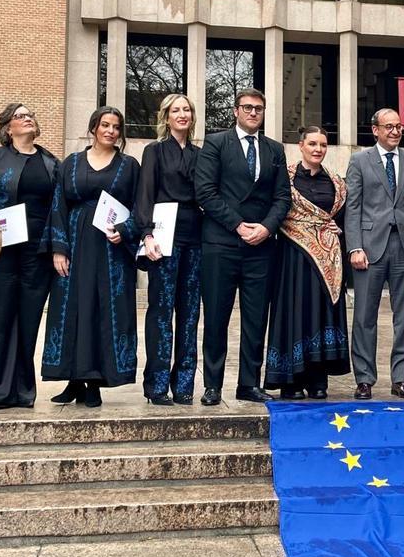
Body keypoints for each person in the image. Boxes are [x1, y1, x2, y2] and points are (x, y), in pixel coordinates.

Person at [194, 87, 292, 405]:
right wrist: (237, 225)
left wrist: (266, 228)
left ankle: (248, 383)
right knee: (217, 316)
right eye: (247, 107)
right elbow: (206, 192)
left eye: (258, 108)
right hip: (221, 242)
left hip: (261, 247)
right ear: (236, 111)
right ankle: (213, 384)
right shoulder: (216, 143)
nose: (253, 113)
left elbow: (282, 198)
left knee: (255, 318)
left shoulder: (274, 150)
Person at [0, 103, 59, 411]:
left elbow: (59, 208)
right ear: (7, 128)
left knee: (28, 319)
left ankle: (21, 391)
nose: (28, 118)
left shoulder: (50, 163)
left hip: (37, 252)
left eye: (31, 114)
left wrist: (57, 246)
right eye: (20, 115)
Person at [42, 106, 141, 408]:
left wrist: (125, 229)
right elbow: (58, 204)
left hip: (111, 249)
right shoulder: (71, 163)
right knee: (73, 308)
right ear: (94, 128)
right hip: (76, 241)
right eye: (105, 125)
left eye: (116, 127)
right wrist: (59, 248)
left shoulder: (129, 165)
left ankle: (95, 380)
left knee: (104, 309)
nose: (111, 131)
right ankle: (73, 379)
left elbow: (140, 204)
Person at [264, 126, 351, 399]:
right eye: (312, 143)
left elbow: (340, 217)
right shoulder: (285, 178)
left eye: (323, 145)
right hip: (293, 258)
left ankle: (317, 378)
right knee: (296, 314)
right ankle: (291, 380)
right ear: (300, 145)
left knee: (321, 315)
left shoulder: (336, 182)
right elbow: (275, 210)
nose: (318, 149)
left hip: (327, 261)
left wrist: (339, 229)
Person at [344, 108, 404, 400]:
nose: (394, 131)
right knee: (365, 316)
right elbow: (352, 206)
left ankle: (402, 378)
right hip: (368, 247)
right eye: (388, 126)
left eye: (399, 126)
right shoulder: (359, 160)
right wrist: (354, 246)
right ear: (375, 129)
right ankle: (364, 379)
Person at [135, 93, 202, 406]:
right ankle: (158, 384)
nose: (183, 114)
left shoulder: (201, 154)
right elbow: (145, 194)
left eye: (187, 109)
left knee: (189, 313)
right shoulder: (155, 151)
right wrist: (147, 235)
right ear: (166, 116)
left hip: (196, 236)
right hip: (164, 234)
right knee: (161, 311)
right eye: (176, 110)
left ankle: (185, 384)